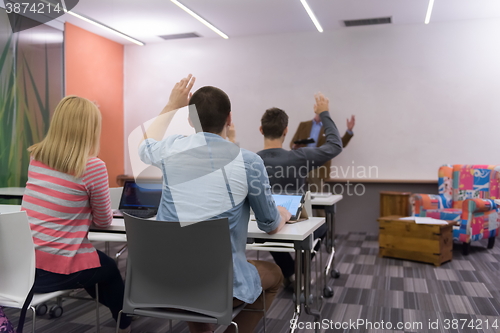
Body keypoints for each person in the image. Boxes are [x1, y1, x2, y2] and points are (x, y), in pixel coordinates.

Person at [138, 74, 290, 333]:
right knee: (274, 275)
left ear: (189, 120)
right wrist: (282, 214)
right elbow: (269, 225)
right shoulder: (248, 162)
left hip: (162, 284)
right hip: (216, 286)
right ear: (229, 118)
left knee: (192, 267)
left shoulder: (171, 149)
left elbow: (144, 147)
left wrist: (170, 106)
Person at [20, 96, 132, 333]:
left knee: (96, 262)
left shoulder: (36, 157)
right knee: (109, 268)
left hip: (24, 267)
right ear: (90, 130)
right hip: (55, 270)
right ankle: (126, 323)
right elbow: (103, 221)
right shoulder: (92, 166)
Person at [256, 93, 343, 287]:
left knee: (270, 228)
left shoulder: (251, 161)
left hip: (261, 228)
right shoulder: (299, 157)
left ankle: (289, 272)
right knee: (322, 228)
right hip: (295, 227)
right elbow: (335, 145)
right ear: (286, 131)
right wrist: (324, 114)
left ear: (261, 130)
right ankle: (297, 270)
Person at [290, 109, 355, 190]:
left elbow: (339, 144)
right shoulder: (303, 125)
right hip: (302, 162)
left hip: (319, 165)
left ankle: (318, 200)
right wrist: (295, 146)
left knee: (316, 188)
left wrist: (349, 131)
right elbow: (292, 143)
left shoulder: (328, 128)